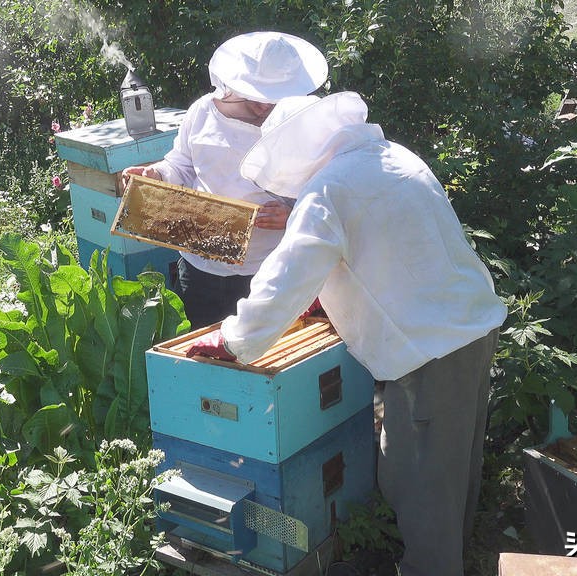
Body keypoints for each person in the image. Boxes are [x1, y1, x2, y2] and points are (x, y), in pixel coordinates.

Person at [186, 92, 508, 576]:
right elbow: (392, 249)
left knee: (420, 485)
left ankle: (433, 567)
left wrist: (235, 339)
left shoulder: (328, 188)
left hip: (431, 351)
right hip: (471, 327)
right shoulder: (394, 157)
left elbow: (286, 277)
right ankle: (456, 553)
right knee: (454, 468)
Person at [121, 31, 328, 328]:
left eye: (274, 98)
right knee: (200, 356)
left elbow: (325, 191)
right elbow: (181, 163)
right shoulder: (203, 112)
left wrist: (292, 214)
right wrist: (157, 174)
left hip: (269, 267)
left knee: (262, 361)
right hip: (200, 263)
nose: (263, 106)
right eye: (256, 95)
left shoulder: (303, 125)